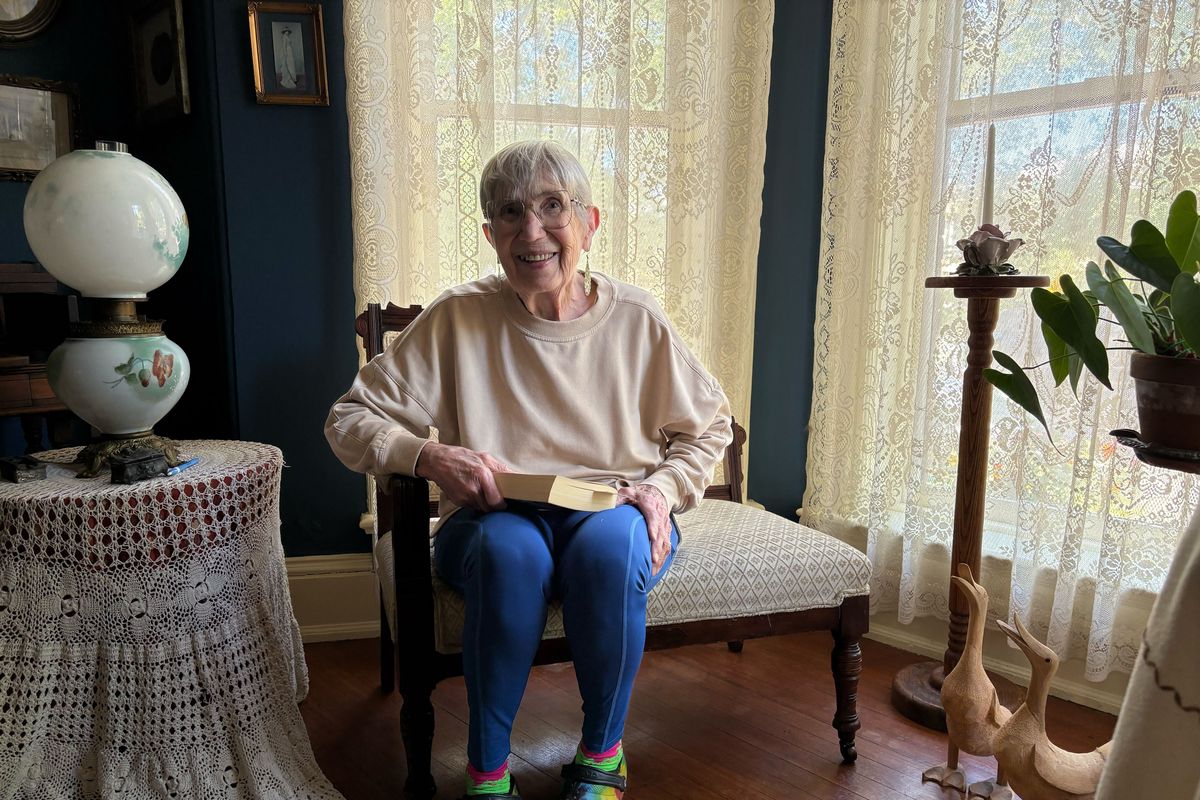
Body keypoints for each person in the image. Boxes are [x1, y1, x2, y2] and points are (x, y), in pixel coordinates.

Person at [325, 140, 732, 799]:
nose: (532, 231)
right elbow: (349, 418)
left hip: (609, 509)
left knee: (612, 545)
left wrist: (661, 490)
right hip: (493, 515)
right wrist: (429, 455)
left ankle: (603, 755)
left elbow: (709, 425)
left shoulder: (635, 318)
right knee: (508, 553)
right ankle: (488, 773)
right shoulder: (459, 316)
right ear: (490, 234)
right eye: (511, 212)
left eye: (553, 207)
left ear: (590, 223)